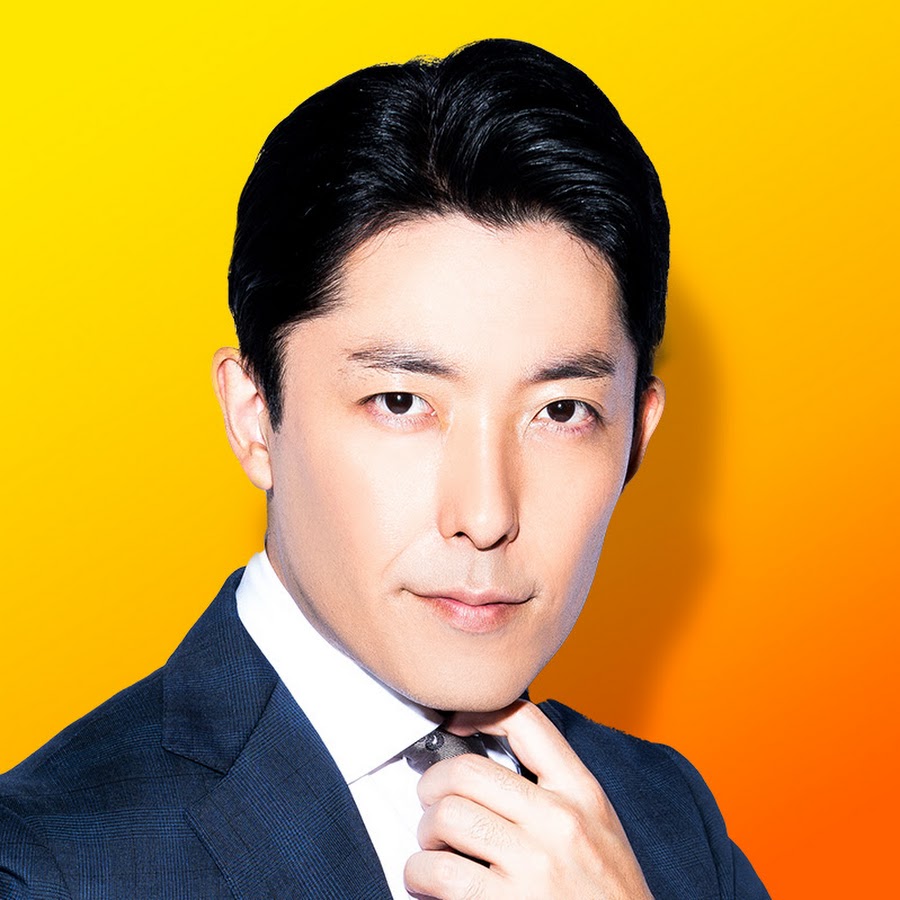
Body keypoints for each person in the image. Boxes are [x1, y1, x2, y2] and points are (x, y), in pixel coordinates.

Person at [0, 39, 768, 899]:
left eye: (559, 412)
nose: (486, 514)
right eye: (402, 403)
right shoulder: (44, 867)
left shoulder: (668, 821)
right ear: (254, 414)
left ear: (637, 436)